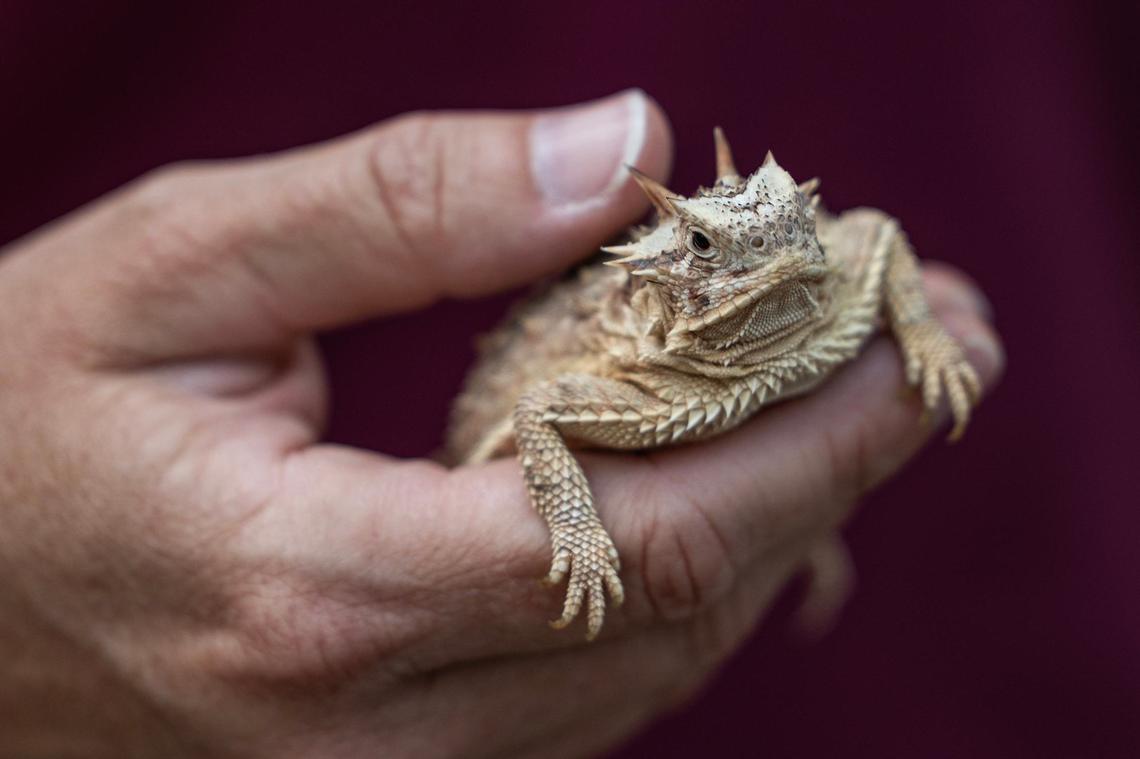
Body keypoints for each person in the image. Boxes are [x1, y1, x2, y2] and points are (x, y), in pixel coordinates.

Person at [0, 90, 1002, 757]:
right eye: (721, 250)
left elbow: (870, 236)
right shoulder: (641, 374)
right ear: (678, 279)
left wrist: (915, 330)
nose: (787, 255)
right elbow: (543, 409)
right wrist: (573, 527)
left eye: (788, 228)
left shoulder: (829, 260)